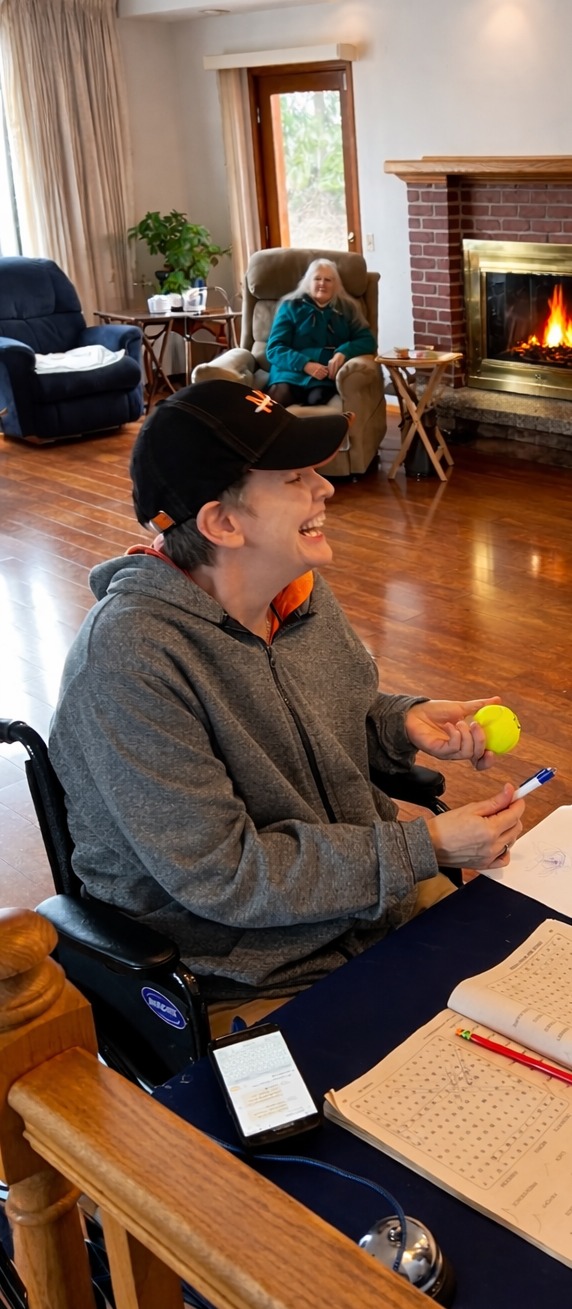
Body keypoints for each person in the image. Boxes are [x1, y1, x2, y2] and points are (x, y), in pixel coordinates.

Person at [49, 381, 524, 1025]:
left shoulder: (294, 591)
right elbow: (226, 876)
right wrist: (426, 846)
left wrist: (399, 722)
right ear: (222, 522)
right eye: (296, 477)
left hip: (372, 910)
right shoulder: (130, 660)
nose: (325, 488)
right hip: (244, 973)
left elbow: (319, 716)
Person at [264, 258, 376, 407]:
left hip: (323, 375)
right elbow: (274, 349)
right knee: (276, 399)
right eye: (317, 278)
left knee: (317, 400)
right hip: (290, 371)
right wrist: (305, 364)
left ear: (336, 285)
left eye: (328, 280)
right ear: (308, 282)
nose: (322, 284)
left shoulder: (348, 308)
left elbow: (367, 340)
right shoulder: (290, 306)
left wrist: (343, 352)